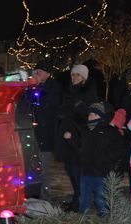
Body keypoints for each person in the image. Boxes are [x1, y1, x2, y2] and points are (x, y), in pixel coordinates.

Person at [55, 64, 99, 211]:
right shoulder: (69, 91)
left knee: (77, 171)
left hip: (79, 138)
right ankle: (76, 199)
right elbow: (63, 112)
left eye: (78, 75)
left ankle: (80, 202)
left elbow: (89, 117)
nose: (74, 78)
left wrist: (74, 132)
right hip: (66, 136)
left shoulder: (89, 93)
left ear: (84, 78)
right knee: (71, 171)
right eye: (73, 75)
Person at [76, 103, 124, 216]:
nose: (91, 117)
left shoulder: (110, 131)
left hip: (102, 172)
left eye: (95, 114)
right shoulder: (84, 130)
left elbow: (119, 150)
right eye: (90, 114)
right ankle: (82, 218)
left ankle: (105, 218)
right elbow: (79, 147)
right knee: (83, 197)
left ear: (102, 116)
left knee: (101, 198)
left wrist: (106, 160)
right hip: (86, 171)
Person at [30, 60, 63, 200]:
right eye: (36, 72)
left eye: (40, 72)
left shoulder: (54, 88)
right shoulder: (34, 88)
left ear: (48, 74)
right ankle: (36, 194)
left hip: (46, 136)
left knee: (44, 169)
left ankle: (45, 197)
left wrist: (38, 89)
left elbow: (51, 105)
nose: (37, 74)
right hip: (34, 135)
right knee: (34, 168)